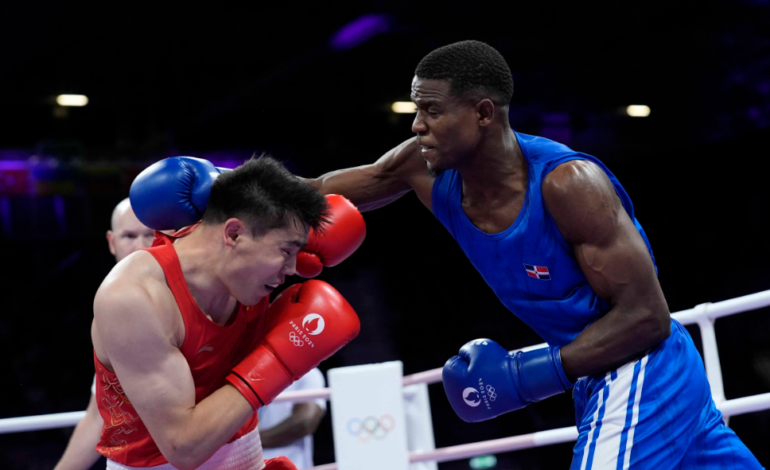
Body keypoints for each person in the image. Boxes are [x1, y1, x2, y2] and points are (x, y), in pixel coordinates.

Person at [303, 41, 762, 468]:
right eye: (417, 108)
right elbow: (317, 193)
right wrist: (233, 184)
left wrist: (525, 376)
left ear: (483, 113)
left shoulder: (569, 185)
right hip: (595, 377)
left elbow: (646, 317)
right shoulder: (421, 169)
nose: (416, 123)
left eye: (432, 110)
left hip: (643, 369)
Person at [91, 156, 363, 470]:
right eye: (287, 251)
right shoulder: (135, 298)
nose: (293, 269)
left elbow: (273, 189)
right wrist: (276, 362)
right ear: (233, 234)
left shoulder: (245, 263)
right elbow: (183, 448)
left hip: (248, 458)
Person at [55, 198, 155, 470]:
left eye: (151, 234)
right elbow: (100, 414)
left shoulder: (199, 297)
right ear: (112, 242)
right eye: (129, 236)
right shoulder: (113, 307)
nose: (142, 246)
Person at [259, 368, 326, 469]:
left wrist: (252, 442)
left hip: (288, 465)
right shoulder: (241, 371)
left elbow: (305, 422)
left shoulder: (306, 372)